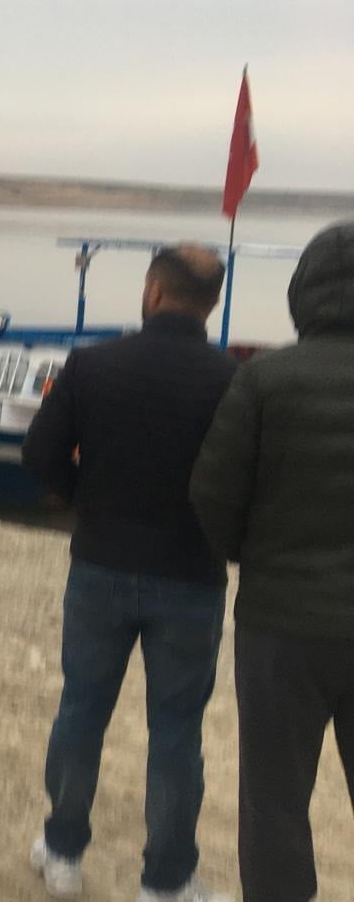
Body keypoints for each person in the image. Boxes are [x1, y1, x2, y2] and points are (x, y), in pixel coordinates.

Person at [21, 245, 235, 902]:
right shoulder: (231, 379)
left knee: (82, 709)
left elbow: (40, 453)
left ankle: (62, 852)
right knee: (176, 730)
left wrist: (85, 499)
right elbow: (245, 481)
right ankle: (166, 881)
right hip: (191, 574)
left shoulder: (93, 364)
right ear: (211, 303)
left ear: (153, 291)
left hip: (101, 564)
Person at [190, 221, 354, 902]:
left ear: (300, 294)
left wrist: (253, 555)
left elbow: (212, 494)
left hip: (280, 627)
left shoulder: (264, 379)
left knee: (275, 797)